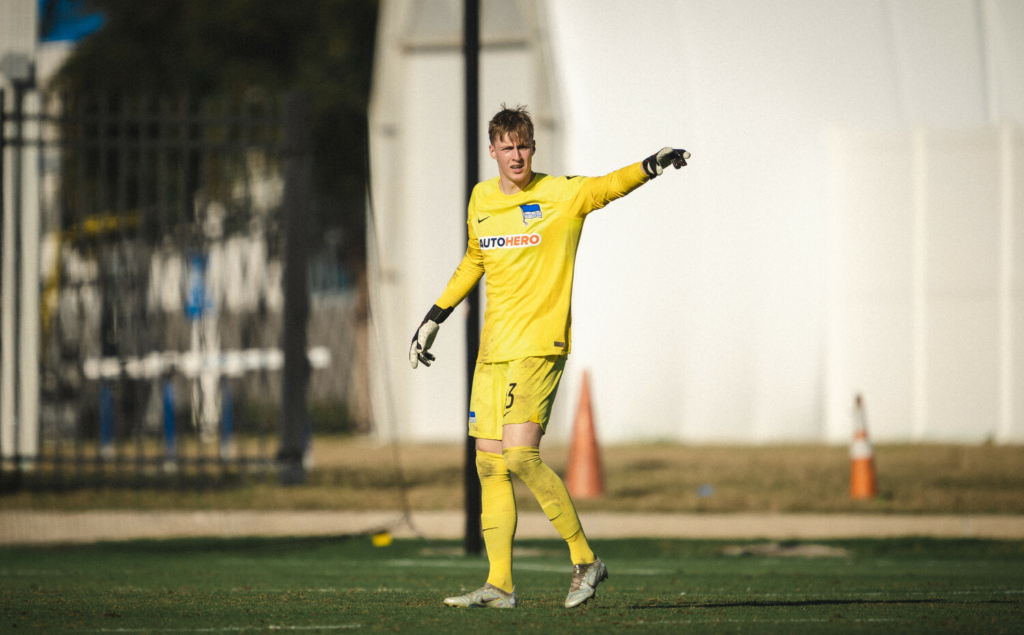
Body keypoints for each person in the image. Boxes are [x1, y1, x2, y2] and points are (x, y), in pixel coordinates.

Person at [409, 104, 689, 609]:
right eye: (507, 147)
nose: (516, 155)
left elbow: (607, 186)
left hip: (539, 346)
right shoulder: (481, 199)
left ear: (533, 147)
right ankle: (499, 585)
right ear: (492, 151)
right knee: (490, 464)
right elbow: (474, 259)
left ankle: (586, 560)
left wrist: (653, 163)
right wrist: (434, 318)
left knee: (520, 455)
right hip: (493, 351)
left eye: (524, 145)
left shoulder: (559, 194)